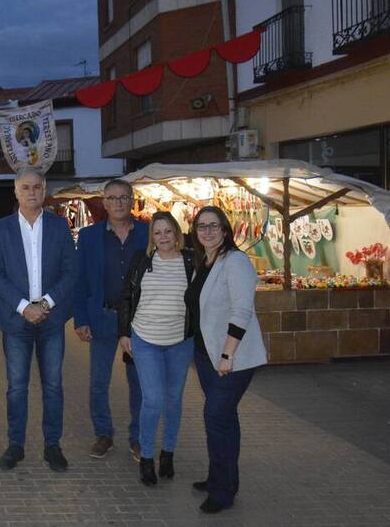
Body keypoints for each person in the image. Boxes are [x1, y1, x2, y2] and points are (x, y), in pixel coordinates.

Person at [0, 168, 77, 472]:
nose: (32, 192)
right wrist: (24, 306)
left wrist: (47, 303)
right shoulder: (0, 229)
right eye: (25, 187)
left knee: (53, 386)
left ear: (45, 189)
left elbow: (70, 271)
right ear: (16, 191)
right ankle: (16, 445)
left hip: (51, 320)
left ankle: (53, 446)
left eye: (37, 187)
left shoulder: (60, 226)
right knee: (17, 387)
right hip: (16, 322)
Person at [187, 206, 267, 514]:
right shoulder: (205, 262)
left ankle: (222, 493)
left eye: (213, 226)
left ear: (225, 231)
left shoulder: (235, 262)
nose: (207, 231)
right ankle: (221, 479)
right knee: (223, 419)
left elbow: (242, 310)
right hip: (207, 356)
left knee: (216, 418)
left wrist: (226, 354)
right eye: (201, 226)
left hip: (230, 359)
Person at [117, 212, 195, 486]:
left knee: (173, 400)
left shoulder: (190, 261)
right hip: (145, 340)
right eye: (157, 232)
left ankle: (168, 453)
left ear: (177, 233)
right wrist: (124, 333)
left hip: (179, 342)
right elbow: (126, 296)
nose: (163, 237)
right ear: (152, 237)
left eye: (168, 231)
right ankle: (147, 457)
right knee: (153, 399)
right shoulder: (142, 261)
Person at [72, 179, 145, 461]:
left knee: (138, 381)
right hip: (101, 317)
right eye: (112, 198)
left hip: (138, 322)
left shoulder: (147, 233)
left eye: (123, 198)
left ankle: (138, 437)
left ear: (132, 200)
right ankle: (103, 434)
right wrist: (80, 318)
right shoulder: (89, 237)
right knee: (99, 381)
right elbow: (80, 280)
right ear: (104, 203)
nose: (118, 203)